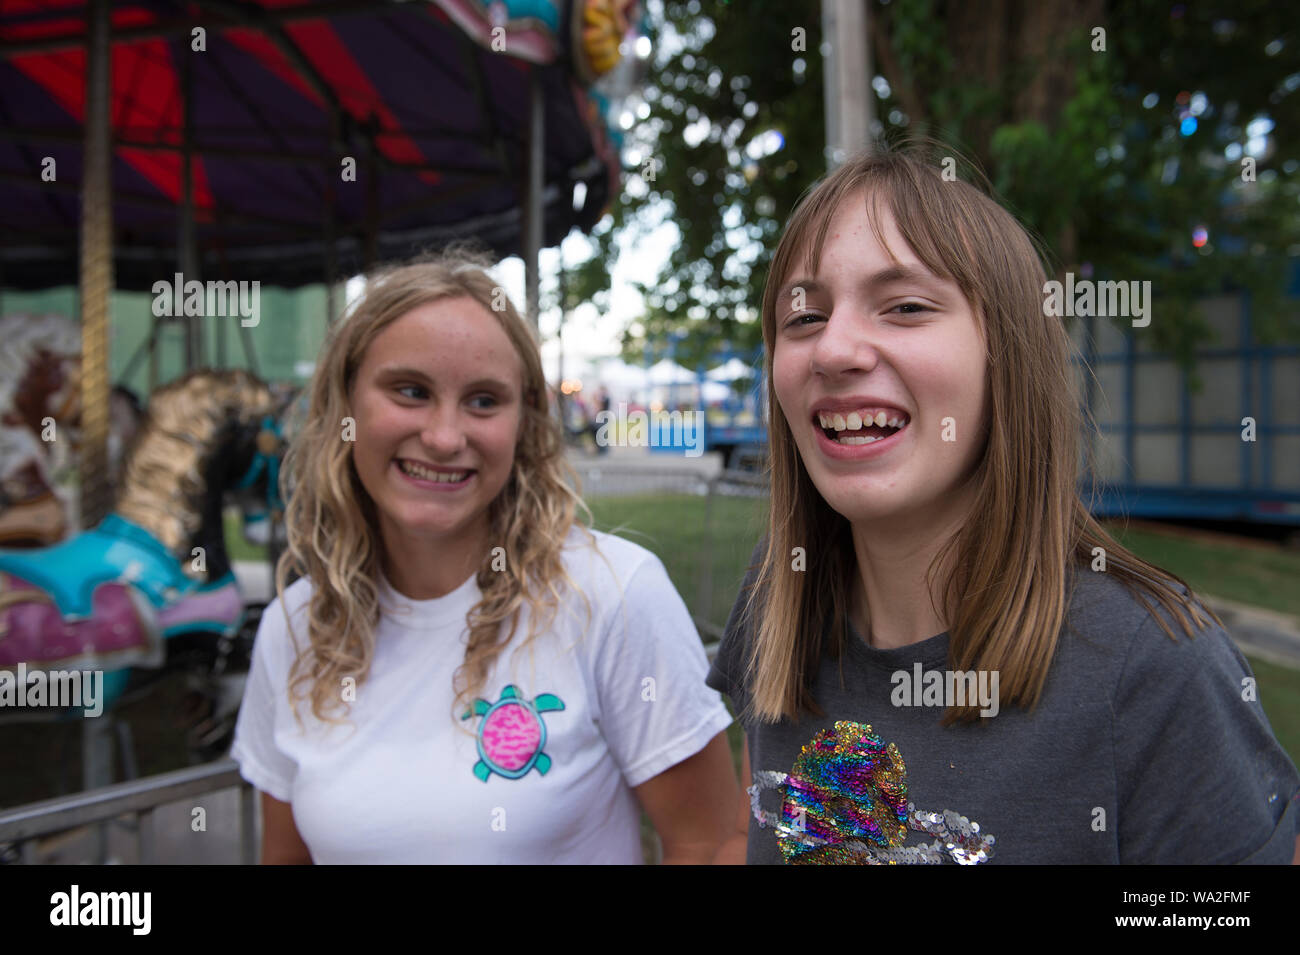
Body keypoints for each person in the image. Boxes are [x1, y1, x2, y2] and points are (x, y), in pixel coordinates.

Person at [707, 145, 1300, 865]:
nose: (834, 349)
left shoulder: (1153, 668)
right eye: (803, 318)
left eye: (906, 306)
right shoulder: (776, 595)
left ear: (1007, 358)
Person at [231, 249, 736, 864]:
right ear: (346, 407)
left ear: (523, 424)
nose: (445, 437)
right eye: (410, 391)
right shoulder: (295, 627)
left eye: (483, 401)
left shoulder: (610, 593)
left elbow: (712, 845)